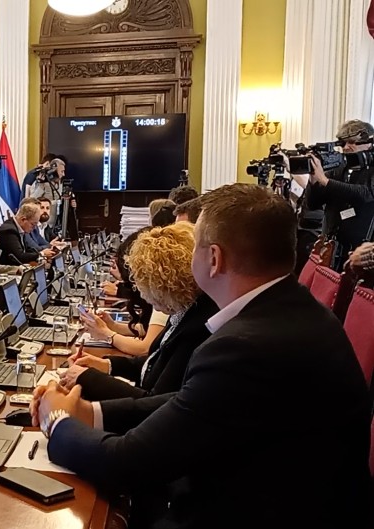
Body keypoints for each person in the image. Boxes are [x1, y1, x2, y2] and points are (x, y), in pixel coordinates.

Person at [31, 183, 372, 528]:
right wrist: (91, 412)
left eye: (194, 243)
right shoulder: (292, 312)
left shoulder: (247, 346)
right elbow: (187, 403)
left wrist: (57, 420)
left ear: (213, 259)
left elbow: (127, 464)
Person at [59, 222, 217, 402]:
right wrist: (107, 365)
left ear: (165, 284)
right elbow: (156, 363)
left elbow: (154, 401)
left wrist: (87, 378)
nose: (142, 294)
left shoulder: (196, 329)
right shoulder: (185, 312)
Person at [82, 227, 165, 356]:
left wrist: (107, 334)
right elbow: (147, 329)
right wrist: (113, 326)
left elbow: (145, 348)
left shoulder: (164, 297)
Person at [305, 119, 374, 270]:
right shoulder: (339, 166)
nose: (346, 147)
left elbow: (366, 194)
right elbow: (313, 204)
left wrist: (324, 180)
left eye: (352, 142)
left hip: (362, 250)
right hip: (331, 246)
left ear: (370, 143)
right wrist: (313, 178)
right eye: (343, 143)